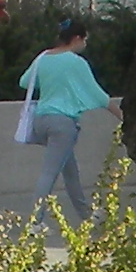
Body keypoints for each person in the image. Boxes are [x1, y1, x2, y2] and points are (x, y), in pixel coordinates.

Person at [20, 15, 111, 219]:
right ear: (77, 38)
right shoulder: (76, 62)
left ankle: (85, 214)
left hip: (41, 120)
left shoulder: (43, 57)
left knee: (70, 171)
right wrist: (122, 115)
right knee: (49, 174)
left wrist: (51, 82)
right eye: (85, 40)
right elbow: (98, 95)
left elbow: (24, 82)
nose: (85, 44)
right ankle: (35, 222)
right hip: (63, 124)